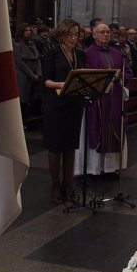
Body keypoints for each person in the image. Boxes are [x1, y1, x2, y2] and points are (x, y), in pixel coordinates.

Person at [75, 23, 132, 177]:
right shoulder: (87, 53)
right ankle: (93, 169)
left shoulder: (117, 53)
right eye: (102, 32)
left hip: (114, 98)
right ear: (94, 35)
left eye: (107, 32)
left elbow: (128, 71)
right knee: (96, 130)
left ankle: (110, 168)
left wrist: (120, 76)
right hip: (97, 100)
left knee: (113, 129)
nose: (106, 34)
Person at [41, 18, 86, 203]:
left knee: (70, 146)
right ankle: (55, 186)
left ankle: (68, 185)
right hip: (56, 104)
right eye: (70, 34)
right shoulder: (52, 53)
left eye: (76, 34)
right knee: (55, 146)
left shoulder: (80, 54)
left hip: (74, 103)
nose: (73, 38)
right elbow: (46, 80)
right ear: (61, 34)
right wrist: (64, 83)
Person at [12, 23, 42, 122]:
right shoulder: (17, 44)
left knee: (32, 99)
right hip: (23, 75)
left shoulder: (32, 43)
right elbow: (20, 62)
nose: (28, 32)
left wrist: (38, 73)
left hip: (34, 74)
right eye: (26, 30)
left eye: (30, 30)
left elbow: (37, 59)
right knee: (22, 100)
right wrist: (32, 75)